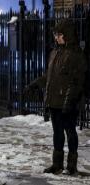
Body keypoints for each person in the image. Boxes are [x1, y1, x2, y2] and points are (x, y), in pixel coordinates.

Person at [25, 19, 87, 175]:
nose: (56, 38)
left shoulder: (76, 55)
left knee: (70, 132)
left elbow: (76, 81)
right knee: (57, 133)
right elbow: (50, 76)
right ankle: (57, 164)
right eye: (55, 35)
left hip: (68, 101)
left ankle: (71, 165)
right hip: (54, 100)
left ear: (67, 35)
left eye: (59, 35)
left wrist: (69, 101)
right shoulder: (55, 52)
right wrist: (35, 84)